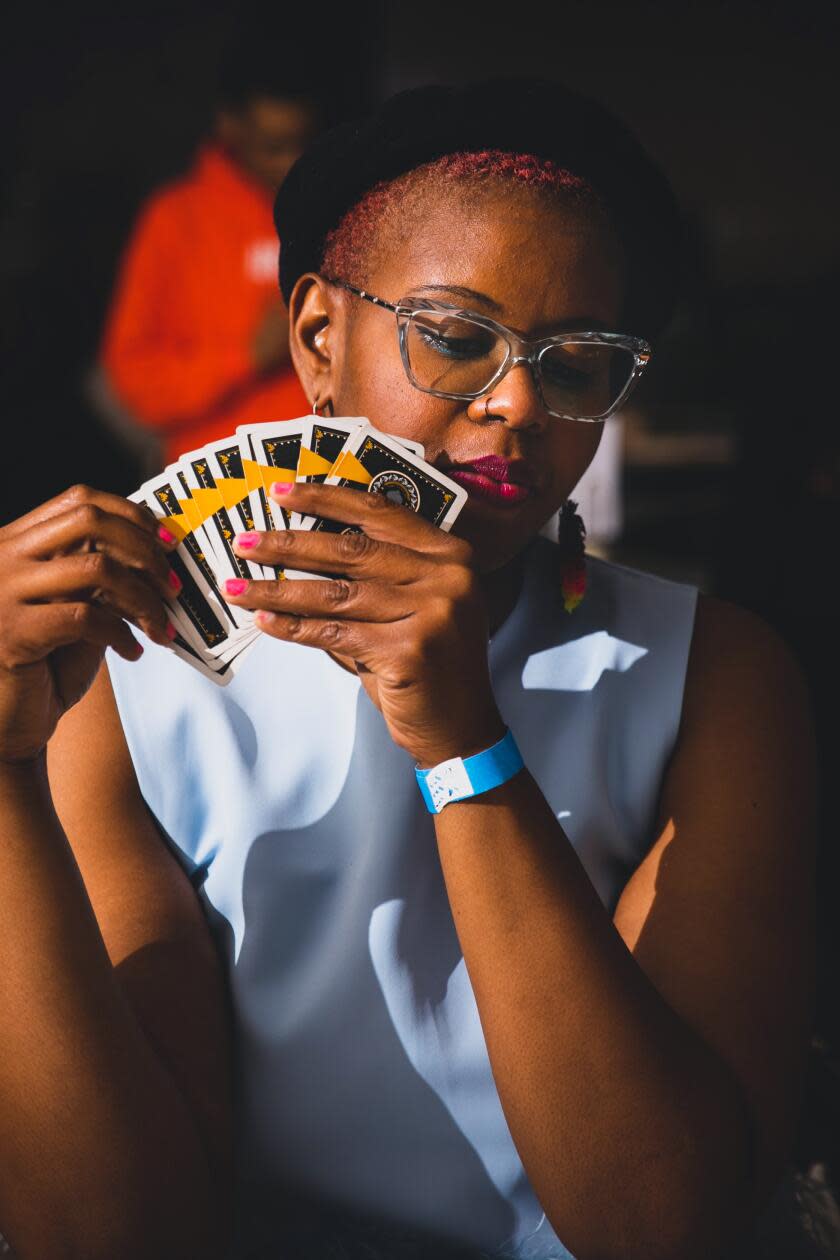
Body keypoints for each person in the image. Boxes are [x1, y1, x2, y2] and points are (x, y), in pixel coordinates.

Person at [0, 79, 817, 1260]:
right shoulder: (139, 681)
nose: (518, 401)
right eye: (453, 336)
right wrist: (6, 769)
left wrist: (464, 746)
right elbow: (115, 1228)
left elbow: (659, 1224)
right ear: (320, 341)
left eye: (577, 363)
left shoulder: (711, 677)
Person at [97, 60, 314, 468]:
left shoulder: (334, 211)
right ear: (231, 126)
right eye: (274, 147)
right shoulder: (174, 220)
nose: (292, 162)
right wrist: (246, 356)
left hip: (326, 476)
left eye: (304, 143)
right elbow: (134, 380)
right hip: (214, 489)